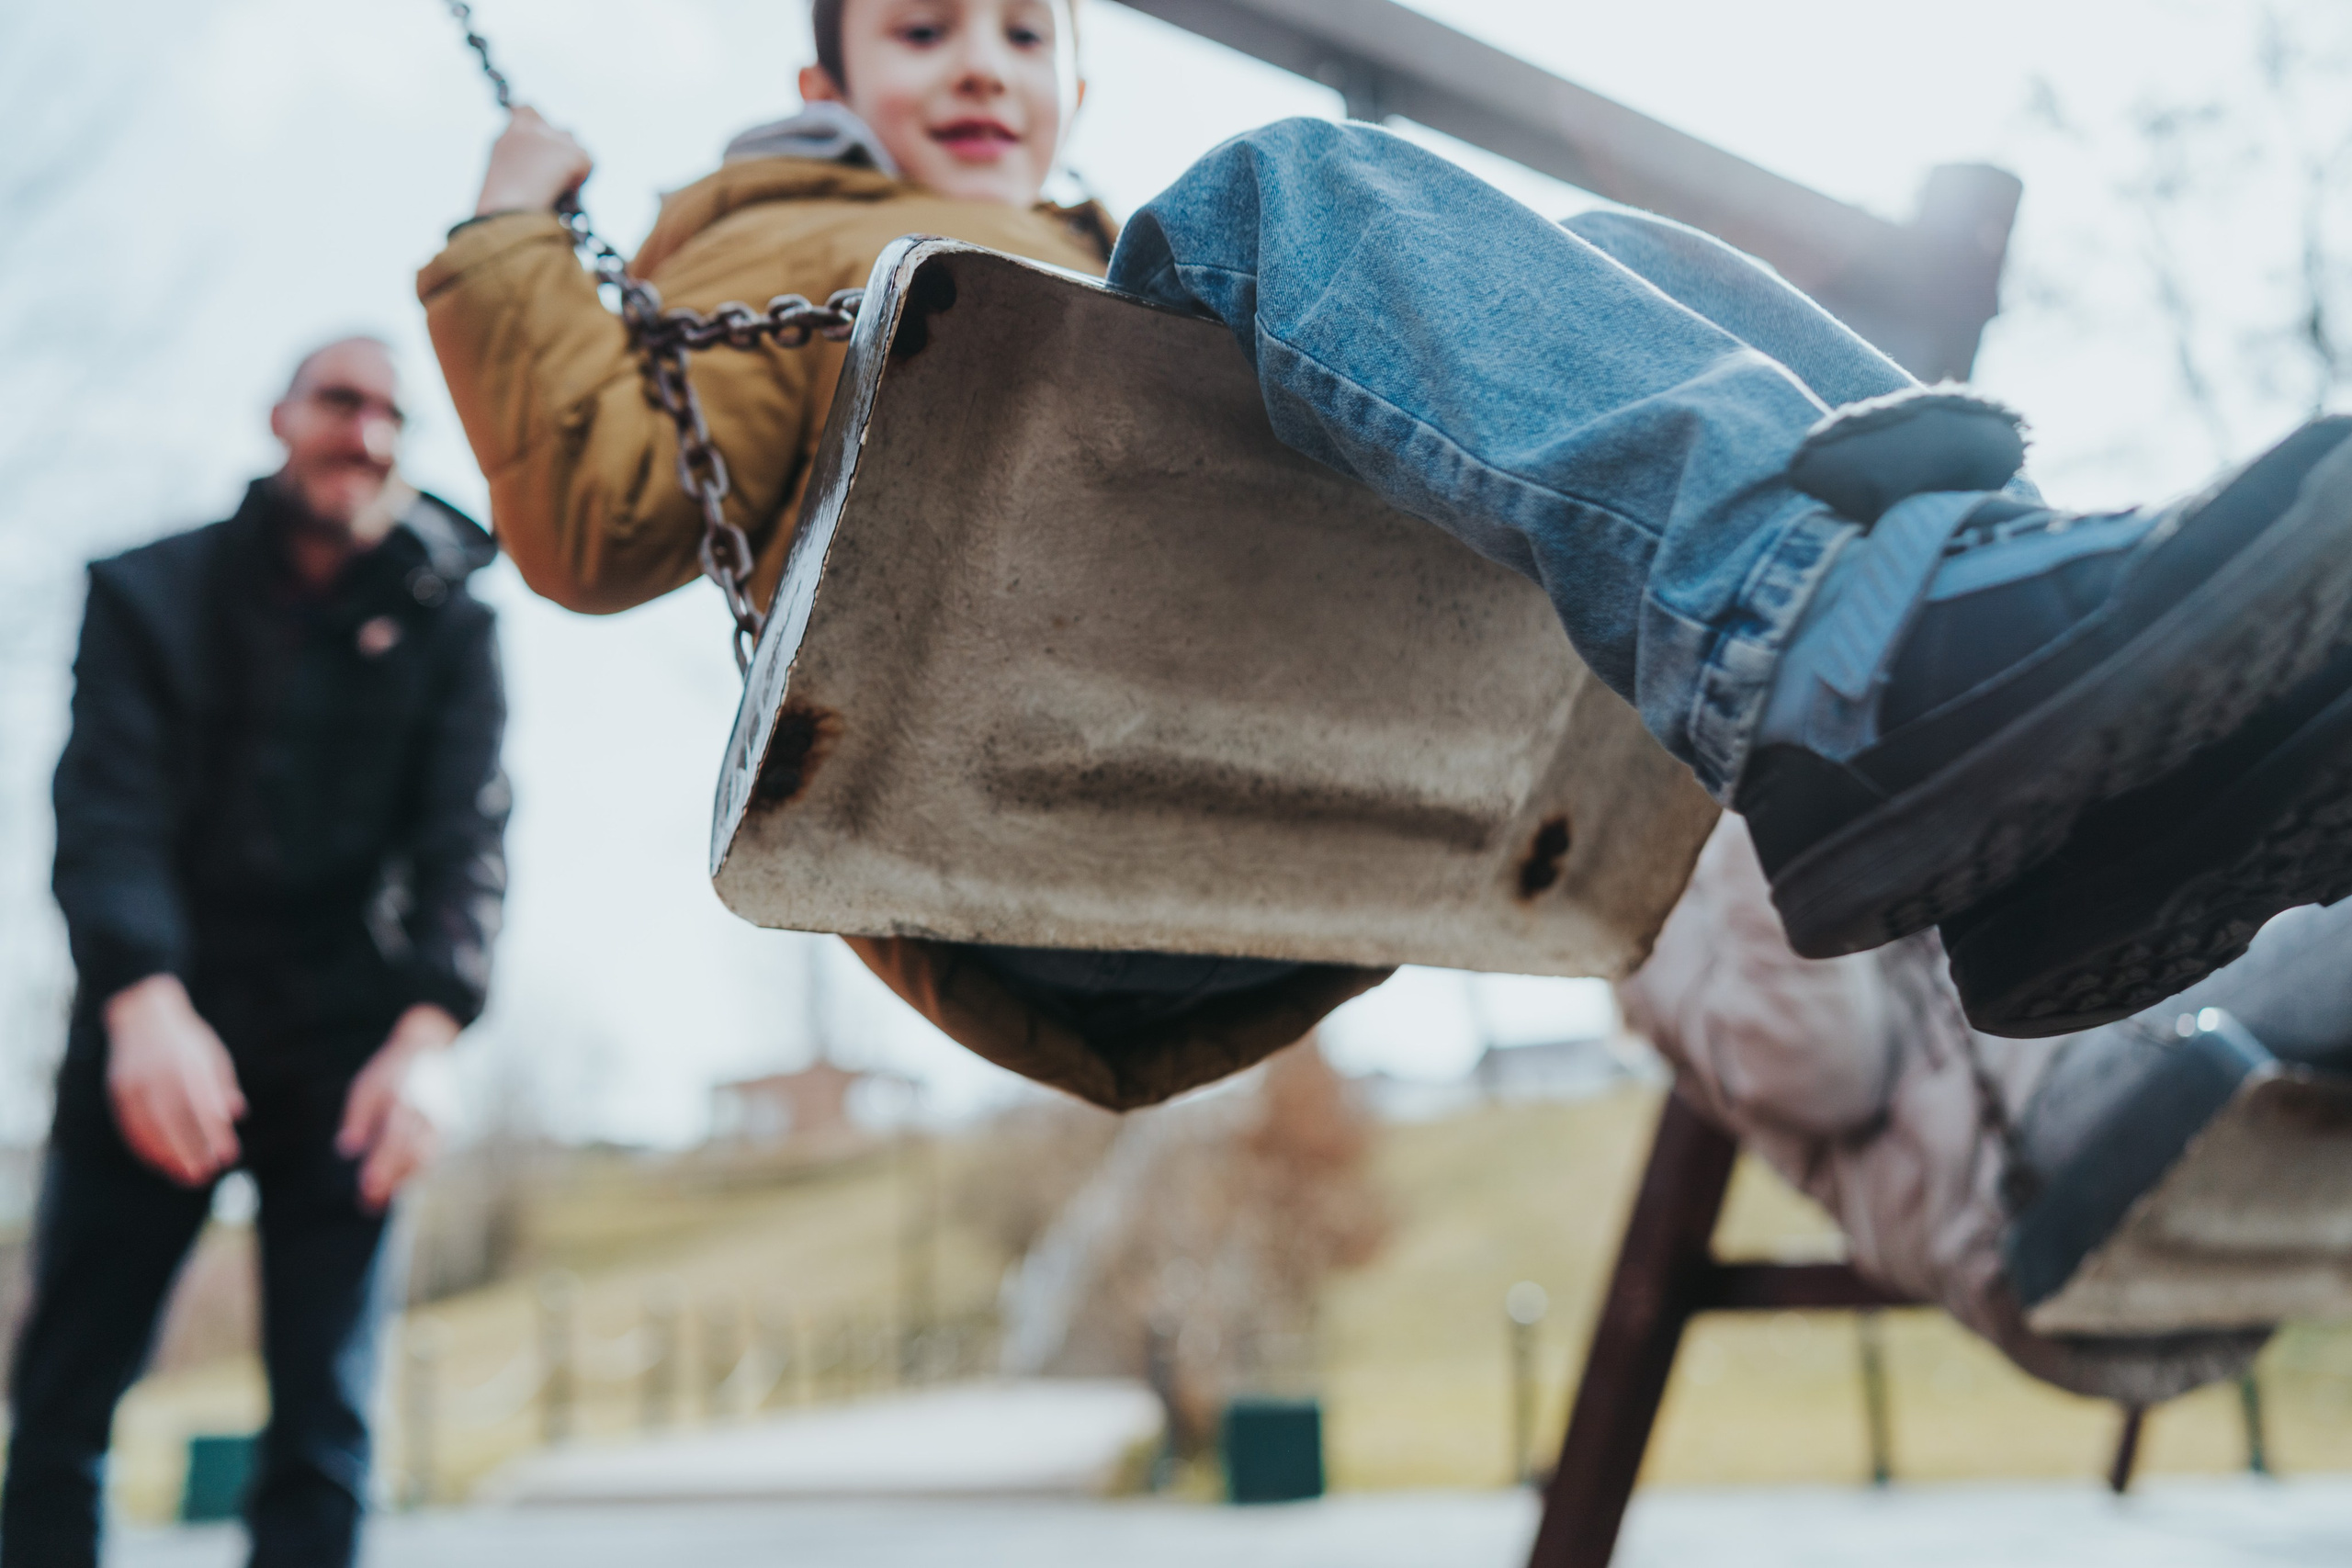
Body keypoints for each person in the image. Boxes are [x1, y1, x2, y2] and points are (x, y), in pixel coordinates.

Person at [418, 0, 2351, 1367]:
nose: (983, 64)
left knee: (1620, 266)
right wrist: (517, 227)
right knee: (1286, 188)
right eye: (921, 30)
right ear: (821, 87)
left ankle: (2060, 734)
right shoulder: (769, 251)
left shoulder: (1082, 251)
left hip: (1319, 789)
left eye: (1022, 31)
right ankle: (1891, 656)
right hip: (1016, 809)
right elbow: (591, 520)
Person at [6, 338, 506, 1568]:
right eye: (340, 401)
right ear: (278, 416)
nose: (367, 434)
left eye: (392, 414)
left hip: (352, 1050)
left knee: (328, 1425)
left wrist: (429, 1036)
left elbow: (468, 840)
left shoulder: (453, 626)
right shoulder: (146, 592)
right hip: (158, 1023)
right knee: (64, 1404)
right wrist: (140, 1001)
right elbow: (106, 811)